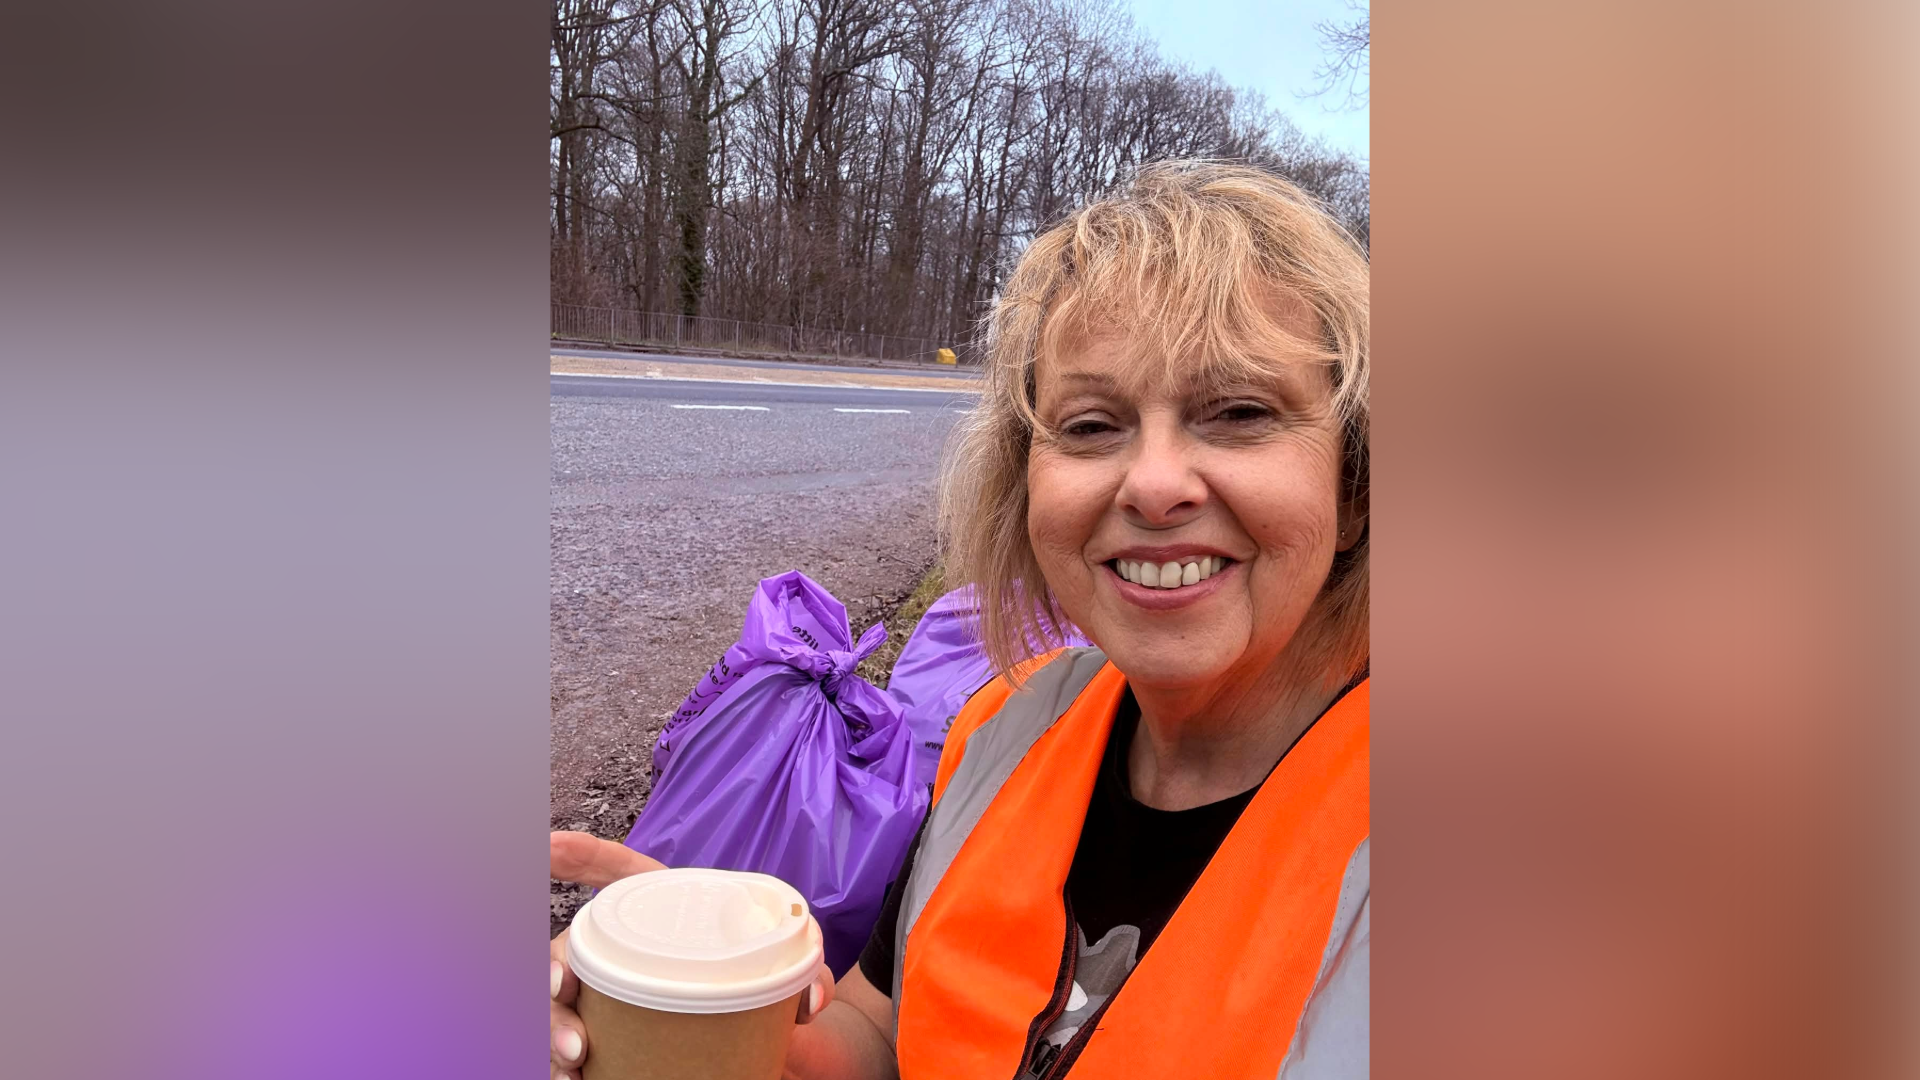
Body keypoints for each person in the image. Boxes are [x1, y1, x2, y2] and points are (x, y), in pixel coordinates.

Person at [550, 159, 1370, 1080]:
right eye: (1093, 425)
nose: (1153, 484)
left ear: (1358, 480)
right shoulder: (1005, 735)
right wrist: (701, 998)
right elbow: (879, 1034)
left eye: (1241, 412)